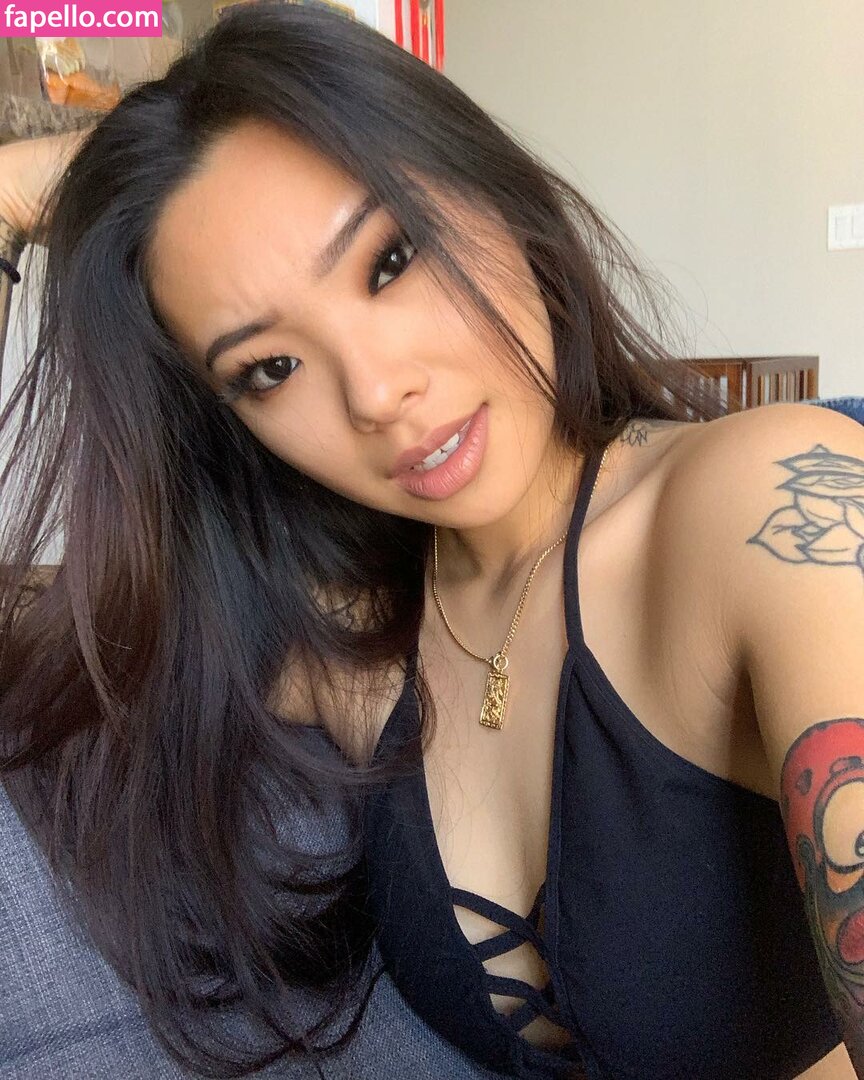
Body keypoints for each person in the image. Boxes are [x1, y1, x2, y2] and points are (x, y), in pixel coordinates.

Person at [1, 5, 862, 1078]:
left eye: (391, 259)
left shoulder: (768, 510)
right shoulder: (354, 652)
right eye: (270, 369)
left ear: (493, 190)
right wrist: (50, 184)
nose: (376, 394)